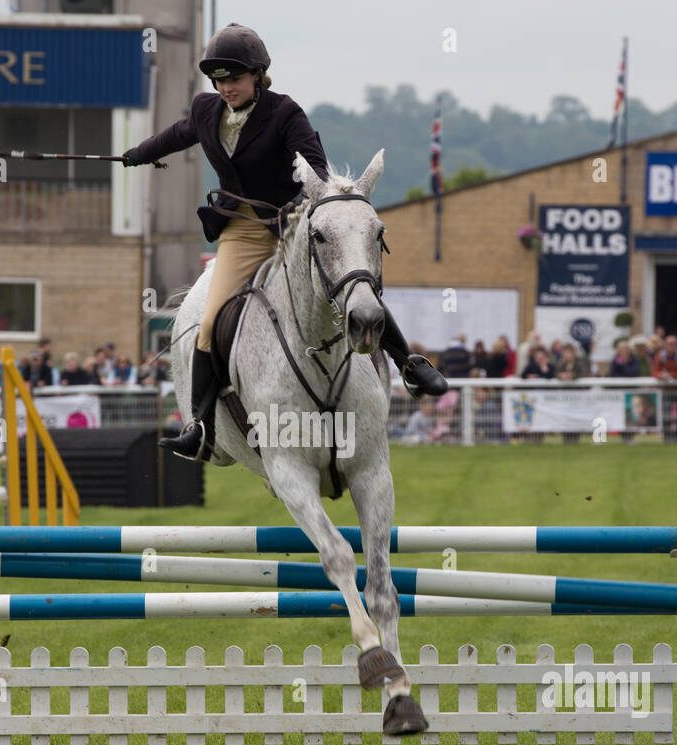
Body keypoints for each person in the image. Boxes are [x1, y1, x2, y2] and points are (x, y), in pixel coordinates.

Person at [122, 22, 446, 460]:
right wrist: (138, 154)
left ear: (258, 74)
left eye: (233, 79)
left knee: (352, 283)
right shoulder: (205, 110)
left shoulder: (284, 113)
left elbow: (314, 162)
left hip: (291, 224)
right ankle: (199, 426)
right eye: (218, 80)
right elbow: (176, 136)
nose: (225, 87)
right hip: (241, 231)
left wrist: (314, 188)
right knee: (210, 320)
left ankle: (410, 363)